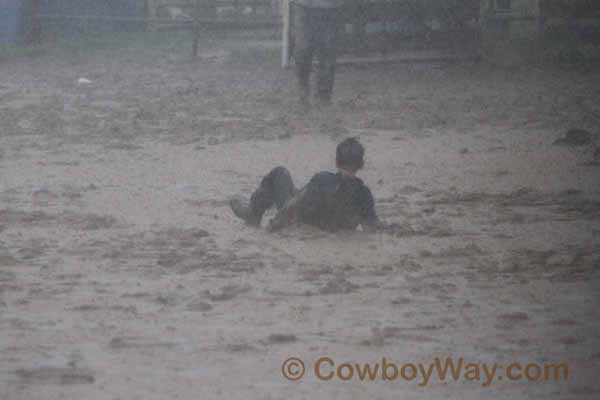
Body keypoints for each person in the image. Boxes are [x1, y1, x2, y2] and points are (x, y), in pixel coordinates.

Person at [229, 138, 385, 232]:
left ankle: (252, 214)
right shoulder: (364, 194)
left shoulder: (323, 180)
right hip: (331, 227)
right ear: (362, 164)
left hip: (301, 224)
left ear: (336, 161)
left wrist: (273, 226)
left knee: (280, 172)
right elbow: (372, 227)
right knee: (298, 191)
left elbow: (292, 206)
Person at [291, 0, 344, 110]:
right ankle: (302, 92)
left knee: (328, 52)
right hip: (304, 6)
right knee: (303, 49)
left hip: (332, 8)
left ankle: (323, 97)